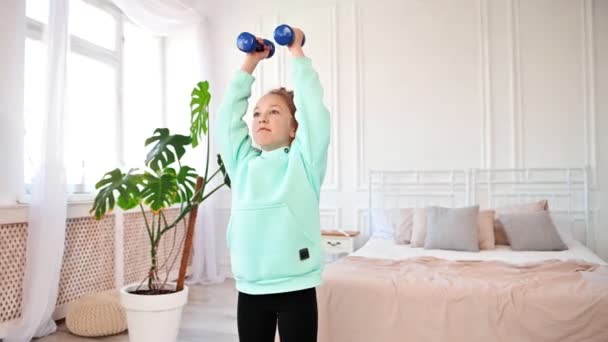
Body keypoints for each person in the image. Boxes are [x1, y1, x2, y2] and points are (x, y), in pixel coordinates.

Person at [215, 27, 330, 342]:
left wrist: (296, 52)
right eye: (257, 113)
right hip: (251, 287)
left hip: (297, 286)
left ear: (294, 128)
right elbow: (226, 119)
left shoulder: (303, 162)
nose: (262, 118)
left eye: (274, 112)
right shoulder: (243, 164)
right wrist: (250, 63)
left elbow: (315, 113)